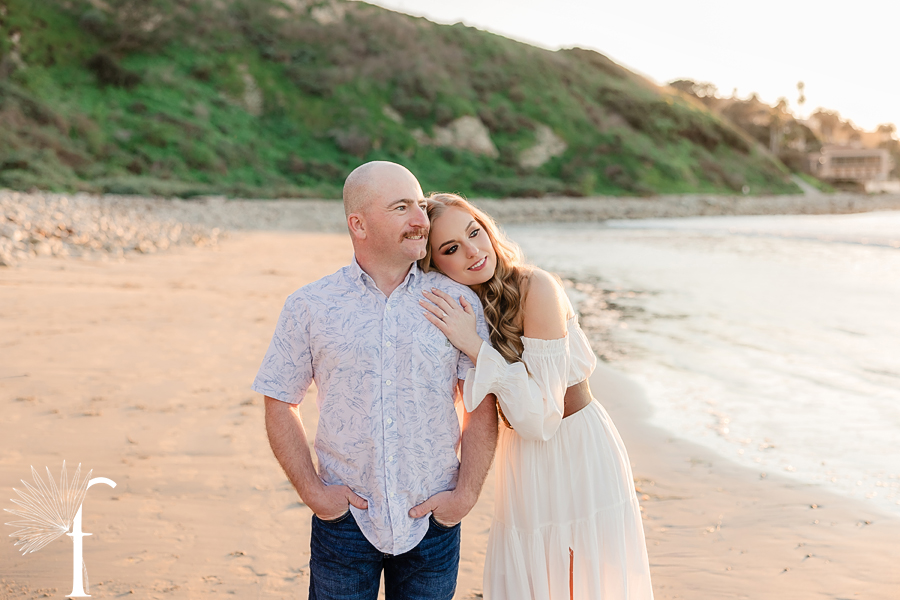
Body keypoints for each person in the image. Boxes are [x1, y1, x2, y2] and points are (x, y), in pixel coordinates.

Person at [252, 163, 498, 600]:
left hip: (433, 520)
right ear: (359, 224)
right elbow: (279, 400)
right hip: (345, 523)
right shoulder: (310, 305)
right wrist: (314, 493)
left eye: (420, 206)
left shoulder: (457, 301)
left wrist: (464, 496)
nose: (421, 220)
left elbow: (480, 404)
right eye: (401, 208)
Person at [418, 193, 654, 600]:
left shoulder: (535, 287)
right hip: (522, 455)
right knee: (536, 576)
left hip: (573, 446)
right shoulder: (469, 304)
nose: (473, 251)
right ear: (435, 264)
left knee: (578, 578)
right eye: (451, 248)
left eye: (474, 232)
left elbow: (542, 418)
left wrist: (474, 345)